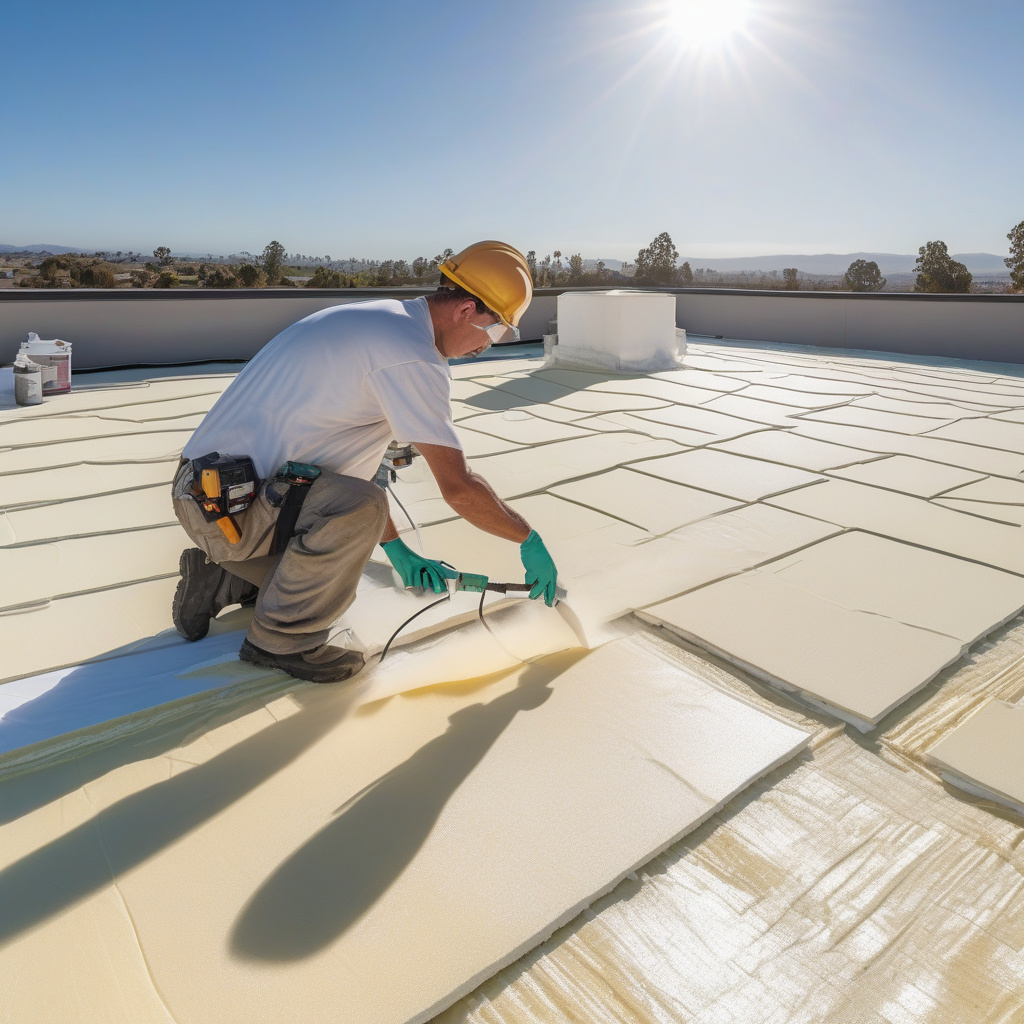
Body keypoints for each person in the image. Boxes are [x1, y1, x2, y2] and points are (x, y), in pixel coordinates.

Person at [170, 241, 559, 684]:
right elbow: (459, 488)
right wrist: (527, 538)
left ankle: (225, 578)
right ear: (467, 310)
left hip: (210, 496)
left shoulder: (385, 320)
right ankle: (280, 641)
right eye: (496, 332)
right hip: (226, 510)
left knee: (351, 522)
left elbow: (353, 471)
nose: (486, 347)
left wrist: (396, 549)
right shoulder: (410, 356)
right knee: (357, 524)